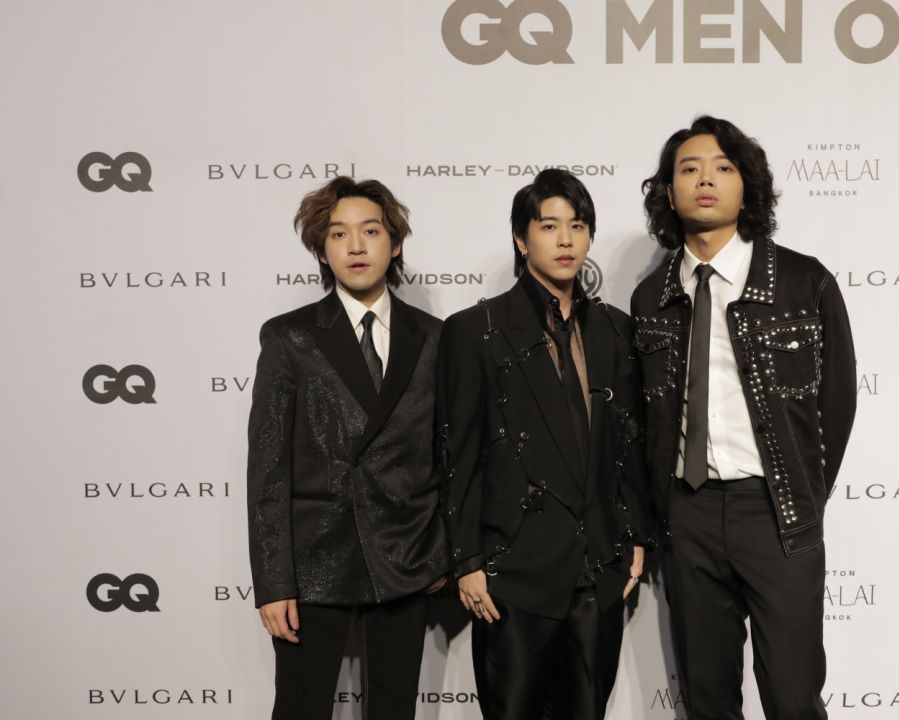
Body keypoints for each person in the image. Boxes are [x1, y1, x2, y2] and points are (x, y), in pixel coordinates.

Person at [631, 116, 857, 720]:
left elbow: (837, 405)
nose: (705, 179)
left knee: (792, 695)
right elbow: (646, 420)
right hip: (688, 513)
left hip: (776, 511)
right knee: (707, 698)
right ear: (668, 190)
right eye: (689, 169)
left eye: (723, 168)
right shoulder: (651, 297)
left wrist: (803, 493)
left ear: (747, 185)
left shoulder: (804, 281)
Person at [437, 168, 653, 720]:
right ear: (521, 238)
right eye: (549, 226)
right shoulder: (475, 329)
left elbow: (629, 441)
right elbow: (458, 452)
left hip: (599, 567)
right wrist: (467, 560)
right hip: (513, 570)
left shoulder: (615, 330)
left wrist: (635, 538)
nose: (565, 240)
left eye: (577, 226)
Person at [247, 176, 448, 720]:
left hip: (404, 556)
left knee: (394, 711)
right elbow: (268, 470)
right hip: (314, 561)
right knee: (300, 709)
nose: (356, 246)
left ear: (395, 243)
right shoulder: (290, 337)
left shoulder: (433, 337)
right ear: (322, 249)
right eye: (339, 234)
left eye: (371, 231)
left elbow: (447, 453)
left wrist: (439, 551)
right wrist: (274, 583)